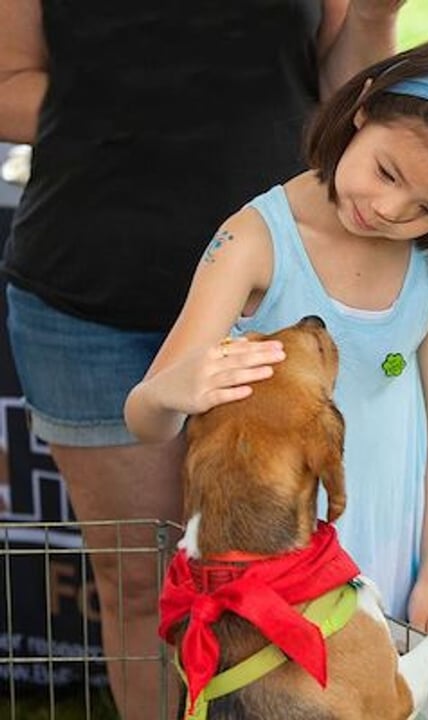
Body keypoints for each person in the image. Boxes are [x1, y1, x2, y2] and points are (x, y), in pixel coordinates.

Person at [0, 2, 404, 718]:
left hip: (278, 292)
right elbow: (6, 86)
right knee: (143, 590)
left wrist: (376, 16)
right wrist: (151, 101)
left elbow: (341, 92)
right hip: (94, 298)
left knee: (302, 583)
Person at [125, 35, 428, 634]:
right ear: (365, 107)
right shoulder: (254, 242)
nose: (391, 211)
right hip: (276, 573)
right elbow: (144, 418)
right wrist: (176, 390)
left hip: (393, 552)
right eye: (386, 172)